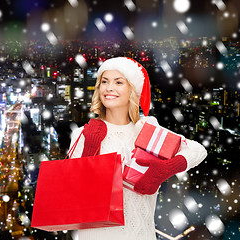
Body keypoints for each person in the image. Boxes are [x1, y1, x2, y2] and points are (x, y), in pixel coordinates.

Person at [69, 57, 207, 240]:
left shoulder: (147, 129)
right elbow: (75, 190)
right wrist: (90, 146)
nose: (109, 88)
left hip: (140, 234)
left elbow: (198, 150)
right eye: (104, 81)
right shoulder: (83, 134)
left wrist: (167, 168)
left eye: (119, 82)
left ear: (133, 90)